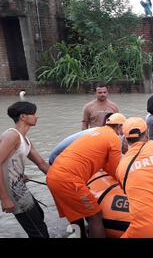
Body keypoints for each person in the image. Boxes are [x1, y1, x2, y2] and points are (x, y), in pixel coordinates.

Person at [46, 113, 125, 238]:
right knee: (95, 216)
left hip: (53, 176)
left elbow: (105, 165)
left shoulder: (96, 133)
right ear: (120, 126)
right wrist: (126, 184)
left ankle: (79, 236)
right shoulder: (113, 138)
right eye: (123, 129)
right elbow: (116, 169)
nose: (123, 133)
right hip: (69, 180)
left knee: (74, 216)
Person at [0, 102, 50, 238]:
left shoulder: (25, 139)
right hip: (12, 192)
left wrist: (63, 179)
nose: (37, 116)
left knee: (39, 216)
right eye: (33, 114)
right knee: (37, 231)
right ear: (23, 116)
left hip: (20, 186)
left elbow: (41, 163)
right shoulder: (12, 136)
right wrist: (4, 198)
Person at [48, 113, 127, 165]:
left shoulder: (98, 130)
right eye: (123, 127)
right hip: (58, 158)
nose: (124, 131)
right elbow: (113, 163)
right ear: (119, 126)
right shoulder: (110, 136)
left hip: (57, 156)